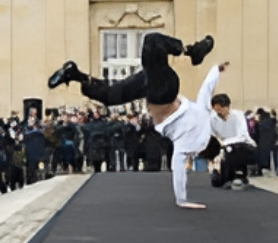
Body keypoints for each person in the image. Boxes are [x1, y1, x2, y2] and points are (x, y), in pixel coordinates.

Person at [48, 33, 220, 208]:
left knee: (110, 95)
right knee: (152, 41)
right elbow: (178, 168)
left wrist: (216, 69)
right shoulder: (193, 143)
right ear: (204, 151)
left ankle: (75, 74)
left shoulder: (204, 120)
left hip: (158, 88)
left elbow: (206, 90)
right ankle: (191, 51)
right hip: (162, 94)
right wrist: (181, 200)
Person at [209, 92, 256, 190]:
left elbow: (242, 135)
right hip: (223, 146)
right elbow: (211, 135)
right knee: (217, 181)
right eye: (217, 109)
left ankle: (238, 175)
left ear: (227, 106)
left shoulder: (238, 115)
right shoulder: (212, 119)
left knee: (232, 149)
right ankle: (225, 176)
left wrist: (226, 143)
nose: (220, 112)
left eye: (222, 108)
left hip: (242, 144)